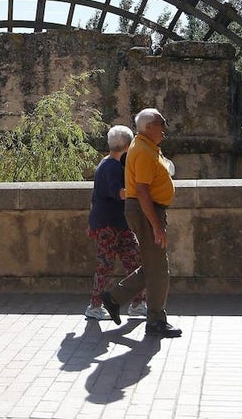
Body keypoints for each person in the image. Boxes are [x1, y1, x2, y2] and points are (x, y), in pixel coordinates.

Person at [101, 108, 181, 337]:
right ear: (148, 127)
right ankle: (155, 321)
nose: (165, 127)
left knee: (153, 266)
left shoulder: (147, 147)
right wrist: (156, 225)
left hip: (148, 210)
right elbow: (143, 191)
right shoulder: (144, 151)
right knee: (159, 269)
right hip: (147, 211)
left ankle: (114, 298)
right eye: (161, 122)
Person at [84, 125, 147, 321]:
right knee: (106, 264)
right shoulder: (111, 166)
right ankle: (95, 306)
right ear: (128, 145)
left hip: (117, 223)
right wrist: (144, 190)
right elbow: (119, 193)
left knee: (134, 260)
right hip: (109, 224)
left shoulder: (109, 163)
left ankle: (138, 302)